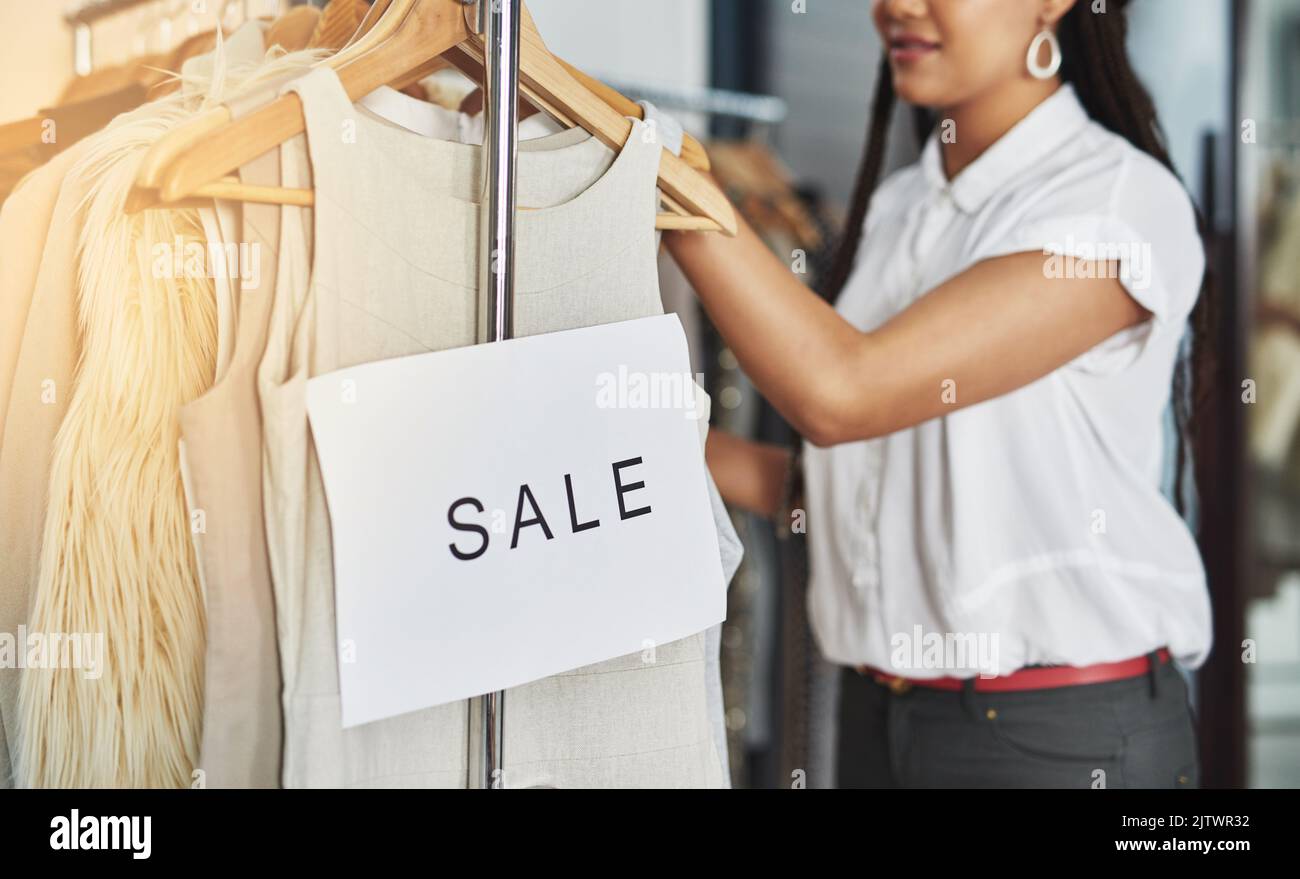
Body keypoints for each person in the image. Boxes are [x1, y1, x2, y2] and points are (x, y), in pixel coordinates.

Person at [666, 0, 1211, 788]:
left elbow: (843, 393)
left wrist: (658, 174)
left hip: (1056, 737)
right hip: (877, 712)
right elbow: (839, 493)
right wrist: (626, 426)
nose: (896, 7)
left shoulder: (1116, 206)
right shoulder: (899, 210)